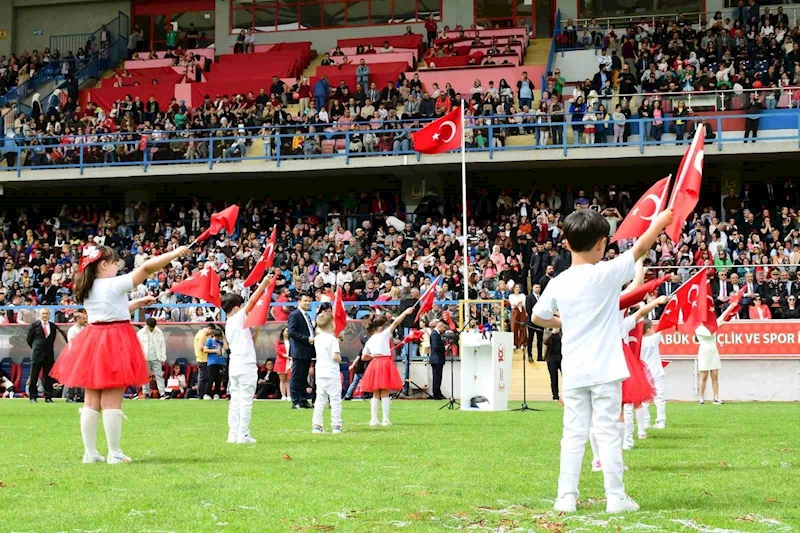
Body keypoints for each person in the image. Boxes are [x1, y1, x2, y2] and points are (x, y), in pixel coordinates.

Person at [532, 206, 674, 514]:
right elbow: (640, 247)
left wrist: (564, 323)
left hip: (575, 370)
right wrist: (660, 222)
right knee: (609, 432)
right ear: (603, 243)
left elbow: (537, 316)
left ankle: (566, 496)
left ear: (566, 244)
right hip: (607, 369)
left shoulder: (558, 282)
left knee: (573, 434)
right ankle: (615, 497)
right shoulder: (609, 272)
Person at [50, 244, 189, 464]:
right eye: (115, 263)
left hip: (93, 340)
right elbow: (145, 270)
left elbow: (109, 310)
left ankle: (91, 452)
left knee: (91, 400)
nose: (117, 268)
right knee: (112, 399)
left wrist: (135, 304)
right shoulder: (113, 284)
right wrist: (174, 253)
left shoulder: (87, 286)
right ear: (104, 265)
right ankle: (114, 453)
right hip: (114, 340)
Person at [222, 273, 275, 444]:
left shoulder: (229, 324)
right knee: (245, 400)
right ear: (236, 308)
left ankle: (233, 434)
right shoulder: (238, 317)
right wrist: (264, 284)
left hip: (236, 363)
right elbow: (252, 301)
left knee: (236, 400)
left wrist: (257, 331)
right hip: (245, 363)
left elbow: (249, 340)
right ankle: (243, 434)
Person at [361, 307, 415, 426]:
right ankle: (385, 419)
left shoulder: (369, 340)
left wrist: (373, 356)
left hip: (375, 363)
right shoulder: (385, 334)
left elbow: (364, 357)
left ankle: (374, 419)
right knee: (385, 392)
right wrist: (405, 312)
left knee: (375, 393)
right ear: (381, 327)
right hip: (385, 363)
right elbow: (396, 323)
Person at [311, 311, 343, 434]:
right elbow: (335, 356)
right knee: (335, 400)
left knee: (320, 400)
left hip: (320, 372)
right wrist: (340, 359)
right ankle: (336, 424)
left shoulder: (317, 339)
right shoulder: (333, 340)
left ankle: (317, 425)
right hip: (331, 373)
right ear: (332, 324)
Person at [288, 292, 315, 409]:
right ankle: (295, 401)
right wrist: (307, 339)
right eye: (305, 301)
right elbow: (291, 332)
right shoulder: (295, 315)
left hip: (307, 350)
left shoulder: (307, 316)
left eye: (309, 301)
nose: (308, 303)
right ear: (299, 302)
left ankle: (303, 399)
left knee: (304, 377)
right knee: (296, 376)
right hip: (299, 350)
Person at [638, 318, 666, 429]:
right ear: (648, 330)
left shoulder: (638, 343)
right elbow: (664, 326)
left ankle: (646, 422)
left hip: (644, 374)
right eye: (652, 328)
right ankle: (661, 421)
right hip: (657, 373)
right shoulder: (654, 339)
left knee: (644, 400)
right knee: (659, 398)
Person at [27, 308, 57, 403]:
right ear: (40, 314)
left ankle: (48, 396)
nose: (45, 315)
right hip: (37, 354)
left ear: (49, 315)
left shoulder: (52, 326)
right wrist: (37, 347)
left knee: (48, 377)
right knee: (34, 376)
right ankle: (33, 397)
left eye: (47, 313)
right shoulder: (34, 325)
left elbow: (53, 338)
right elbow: (29, 339)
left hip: (48, 355)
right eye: (43, 313)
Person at [137, 318, 167, 399]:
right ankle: (146, 393)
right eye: (151, 327)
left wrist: (163, 358)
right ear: (147, 325)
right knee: (145, 376)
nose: (152, 329)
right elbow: (137, 346)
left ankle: (162, 393)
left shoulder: (159, 332)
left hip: (156, 357)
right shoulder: (140, 333)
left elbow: (162, 346)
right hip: (145, 358)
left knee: (159, 375)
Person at [65, 311, 88, 401]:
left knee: (81, 376)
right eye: (83, 318)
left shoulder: (82, 329)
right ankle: (70, 395)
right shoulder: (72, 330)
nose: (85, 320)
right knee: (73, 376)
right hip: (74, 355)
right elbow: (74, 343)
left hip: (82, 355)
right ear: (77, 319)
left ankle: (79, 395)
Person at [204, 328, 227, 400]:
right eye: (217, 336)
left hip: (220, 362)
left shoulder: (221, 341)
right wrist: (215, 351)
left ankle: (217, 393)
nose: (218, 338)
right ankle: (207, 393)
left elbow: (226, 347)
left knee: (218, 379)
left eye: (219, 336)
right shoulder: (209, 340)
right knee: (211, 378)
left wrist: (223, 338)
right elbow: (205, 349)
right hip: (212, 362)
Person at [194, 322, 214, 400]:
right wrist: (211, 350)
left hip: (200, 358)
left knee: (202, 377)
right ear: (209, 329)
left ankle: (200, 394)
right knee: (203, 378)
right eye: (211, 332)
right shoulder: (202, 335)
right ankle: (200, 394)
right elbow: (201, 347)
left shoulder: (199, 333)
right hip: (202, 359)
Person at [429, 320, 447, 400]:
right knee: (436, 377)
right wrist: (444, 348)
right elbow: (435, 346)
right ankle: (436, 394)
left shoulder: (436, 334)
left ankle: (438, 393)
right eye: (443, 327)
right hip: (436, 359)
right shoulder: (434, 334)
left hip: (438, 359)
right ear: (439, 326)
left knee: (438, 377)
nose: (444, 329)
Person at [525, 283, 544, 362]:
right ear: (533, 288)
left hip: (541, 322)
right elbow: (528, 309)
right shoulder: (529, 297)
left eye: (539, 287)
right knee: (531, 339)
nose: (538, 288)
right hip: (532, 321)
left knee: (540, 340)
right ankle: (529, 355)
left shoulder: (542, 297)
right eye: (536, 287)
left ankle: (540, 356)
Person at [544, 327, 562, 401]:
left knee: (567, 377)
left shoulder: (563, 331)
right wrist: (552, 334)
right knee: (553, 378)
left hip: (562, 357)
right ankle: (555, 396)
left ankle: (567, 394)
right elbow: (545, 341)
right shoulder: (548, 331)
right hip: (551, 357)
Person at [509, 283, 528, 352]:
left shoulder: (522, 295)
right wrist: (518, 302)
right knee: (514, 327)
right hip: (515, 311)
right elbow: (513, 303)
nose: (517, 288)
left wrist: (518, 303)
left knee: (522, 327)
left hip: (522, 310)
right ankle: (514, 343)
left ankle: (523, 343)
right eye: (516, 287)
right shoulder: (511, 296)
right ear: (513, 288)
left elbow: (524, 303)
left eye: (518, 287)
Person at [274, 327, 291, 401]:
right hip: (281, 362)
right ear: (283, 332)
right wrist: (286, 356)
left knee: (289, 379)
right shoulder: (278, 341)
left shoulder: (292, 341)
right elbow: (278, 352)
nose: (287, 332)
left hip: (290, 362)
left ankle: (289, 395)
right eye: (286, 331)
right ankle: (283, 395)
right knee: (282, 379)